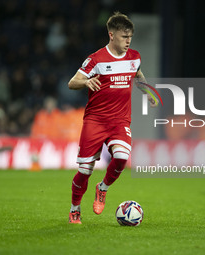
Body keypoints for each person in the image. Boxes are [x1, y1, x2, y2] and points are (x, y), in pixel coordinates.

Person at [67, 12, 156, 224]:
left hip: (120, 121)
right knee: (84, 171)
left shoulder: (134, 57)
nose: (128, 41)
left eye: (130, 37)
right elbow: (72, 82)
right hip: (95, 121)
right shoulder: (96, 59)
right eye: (124, 37)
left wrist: (149, 93)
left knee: (122, 157)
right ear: (111, 35)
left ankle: (103, 188)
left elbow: (139, 77)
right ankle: (75, 209)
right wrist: (86, 82)